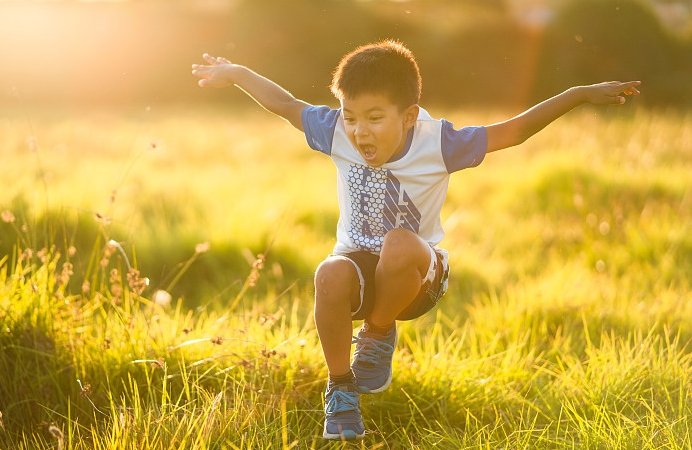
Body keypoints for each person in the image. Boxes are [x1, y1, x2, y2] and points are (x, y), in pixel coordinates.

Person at [192, 39, 640, 441]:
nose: (359, 131)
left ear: (407, 117)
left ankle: (379, 333)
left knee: (400, 242)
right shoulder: (335, 132)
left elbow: (514, 130)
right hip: (359, 276)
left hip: (418, 279)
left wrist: (578, 94)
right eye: (350, 117)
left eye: (373, 118)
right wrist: (235, 74)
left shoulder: (438, 143)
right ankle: (341, 389)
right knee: (329, 272)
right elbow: (286, 103)